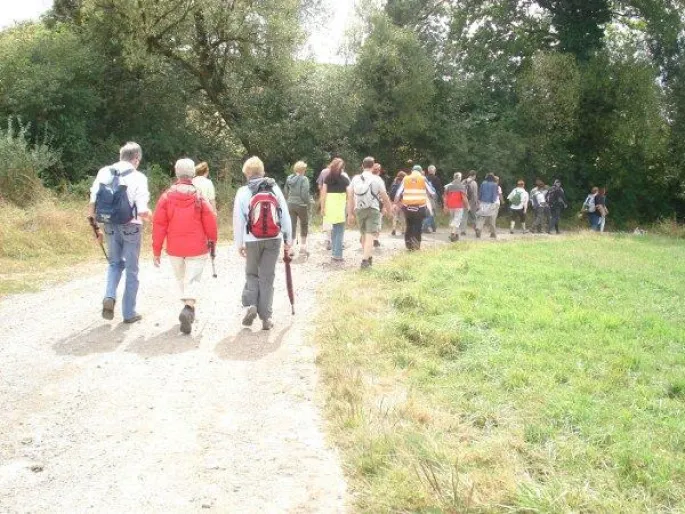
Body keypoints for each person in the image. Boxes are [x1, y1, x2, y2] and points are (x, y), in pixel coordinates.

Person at [152, 159, 218, 334]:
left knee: (182, 279)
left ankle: (188, 309)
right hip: (197, 247)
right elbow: (210, 220)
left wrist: (156, 250)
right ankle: (188, 308)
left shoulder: (166, 196)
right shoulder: (198, 196)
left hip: (174, 248)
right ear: (193, 174)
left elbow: (159, 225)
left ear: (176, 173)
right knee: (193, 279)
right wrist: (212, 240)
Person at [89, 141, 151, 324]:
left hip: (108, 224)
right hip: (131, 226)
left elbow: (92, 201)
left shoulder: (103, 172)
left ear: (121, 156)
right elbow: (142, 210)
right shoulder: (139, 177)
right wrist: (152, 218)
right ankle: (129, 313)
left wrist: (95, 229)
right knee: (132, 269)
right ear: (136, 159)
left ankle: (109, 295)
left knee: (115, 263)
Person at [233, 156, 292, 331]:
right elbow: (285, 215)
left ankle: (251, 304)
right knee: (267, 277)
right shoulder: (274, 188)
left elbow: (238, 220)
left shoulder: (243, 192)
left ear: (247, 174)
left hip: (252, 239)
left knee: (252, 274)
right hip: (273, 239)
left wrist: (239, 243)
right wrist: (288, 240)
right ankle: (266, 318)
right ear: (262, 171)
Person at [348, 157, 391, 269]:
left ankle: (368, 256)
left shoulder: (355, 179)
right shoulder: (377, 179)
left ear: (362, 166)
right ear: (372, 166)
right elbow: (384, 196)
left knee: (363, 235)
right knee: (370, 235)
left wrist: (350, 214)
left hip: (359, 209)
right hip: (373, 209)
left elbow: (350, 197)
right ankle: (365, 261)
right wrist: (389, 210)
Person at [395, 164, 436, 251]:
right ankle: (416, 246)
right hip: (419, 207)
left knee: (409, 225)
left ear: (412, 171)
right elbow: (432, 192)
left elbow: (398, 193)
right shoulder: (423, 178)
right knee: (418, 225)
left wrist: (396, 204)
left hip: (407, 207)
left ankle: (408, 245)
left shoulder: (405, 179)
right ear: (420, 172)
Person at [320, 158, 350, 263]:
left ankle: (334, 253)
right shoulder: (345, 179)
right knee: (339, 231)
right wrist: (350, 211)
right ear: (342, 169)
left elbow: (323, 194)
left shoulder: (327, 178)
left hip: (329, 207)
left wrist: (322, 208)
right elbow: (349, 195)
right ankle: (337, 255)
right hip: (340, 207)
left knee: (333, 231)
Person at [284, 161, 312, 258]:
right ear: (303, 170)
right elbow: (304, 194)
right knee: (304, 224)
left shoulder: (289, 178)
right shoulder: (304, 179)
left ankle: (291, 248)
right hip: (301, 205)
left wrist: (289, 200)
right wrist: (308, 203)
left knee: (292, 225)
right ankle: (303, 247)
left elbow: (286, 191)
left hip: (290, 204)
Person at [443, 172, 469, 242]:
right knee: (457, 219)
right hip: (459, 206)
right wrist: (468, 205)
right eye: (460, 178)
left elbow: (445, 197)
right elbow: (464, 198)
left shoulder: (448, 186)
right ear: (459, 178)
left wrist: (445, 206)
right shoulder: (461, 186)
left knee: (453, 219)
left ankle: (455, 235)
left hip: (450, 206)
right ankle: (453, 233)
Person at [475, 173, 499, 238]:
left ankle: (478, 228)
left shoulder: (483, 184)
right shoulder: (495, 185)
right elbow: (495, 195)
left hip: (483, 202)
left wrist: (479, 200)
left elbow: (480, 193)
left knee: (481, 217)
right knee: (492, 218)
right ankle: (493, 233)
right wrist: (493, 201)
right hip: (491, 203)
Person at [423, 165, 443, 233]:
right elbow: (440, 189)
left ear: (428, 171)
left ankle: (433, 227)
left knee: (429, 212)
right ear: (434, 171)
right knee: (432, 212)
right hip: (433, 197)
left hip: (424, 197)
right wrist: (441, 200)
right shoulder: (436, 179)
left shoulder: (425, 178)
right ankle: (425, 227)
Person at [460, 171, 479, 236]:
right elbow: (475, 194)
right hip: (472, 203)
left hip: (464, 202)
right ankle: (476, 229)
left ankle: (463, 231)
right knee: (474, 217)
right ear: (474, 175)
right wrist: (476, 203)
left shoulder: (463, 182)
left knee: (464, 217)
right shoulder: (474, 183)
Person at [389, 171, 406, 236]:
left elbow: (390, 192)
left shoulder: (394, 182)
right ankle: (403, 230)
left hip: (393, 202)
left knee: (395, 216)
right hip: (401, 201)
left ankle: (394, 229)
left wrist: (392, 202)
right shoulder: (403, 183)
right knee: (402, 216)